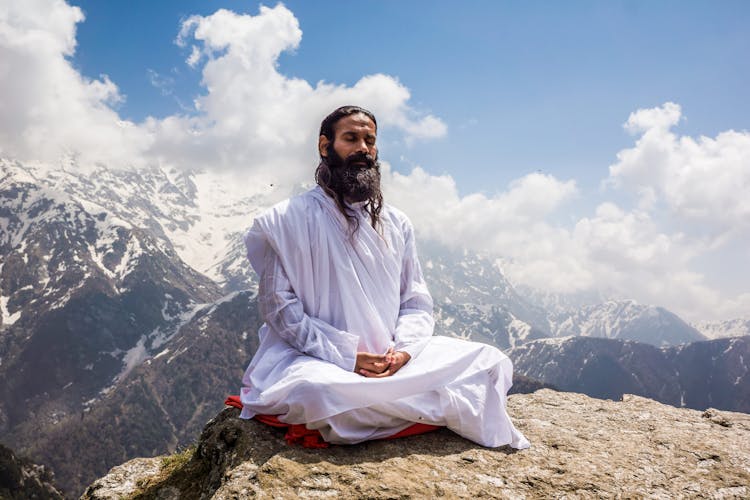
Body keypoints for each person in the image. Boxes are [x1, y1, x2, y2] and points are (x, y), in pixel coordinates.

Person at [239, 105, 529, 449]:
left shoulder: (396, 222)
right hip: (317, 361)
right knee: (315, 392)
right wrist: (348, 357)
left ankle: (379, 403)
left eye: (370, 140)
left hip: (393, 362)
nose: (363, 148)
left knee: (487, 362)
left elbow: (416, 301)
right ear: (324, 146)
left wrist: (403, 353)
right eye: (351, 138)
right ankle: (412, 406)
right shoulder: (286, 220)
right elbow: (279, 311)